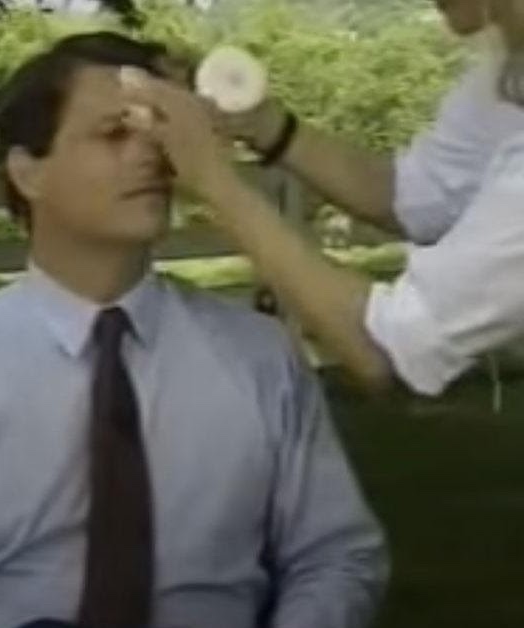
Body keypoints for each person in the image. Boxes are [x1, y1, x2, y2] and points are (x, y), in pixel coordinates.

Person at [0, 32, 388, 628]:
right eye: (115, 133)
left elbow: (336, 556)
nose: (152, 155)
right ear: (28, 172)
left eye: (159, 130)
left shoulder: (258, 355)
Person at [120, 0, 524, 396]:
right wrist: (258, 120)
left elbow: (390, 347)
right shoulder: (505, 74)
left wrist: (213, 180)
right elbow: (415, 196)